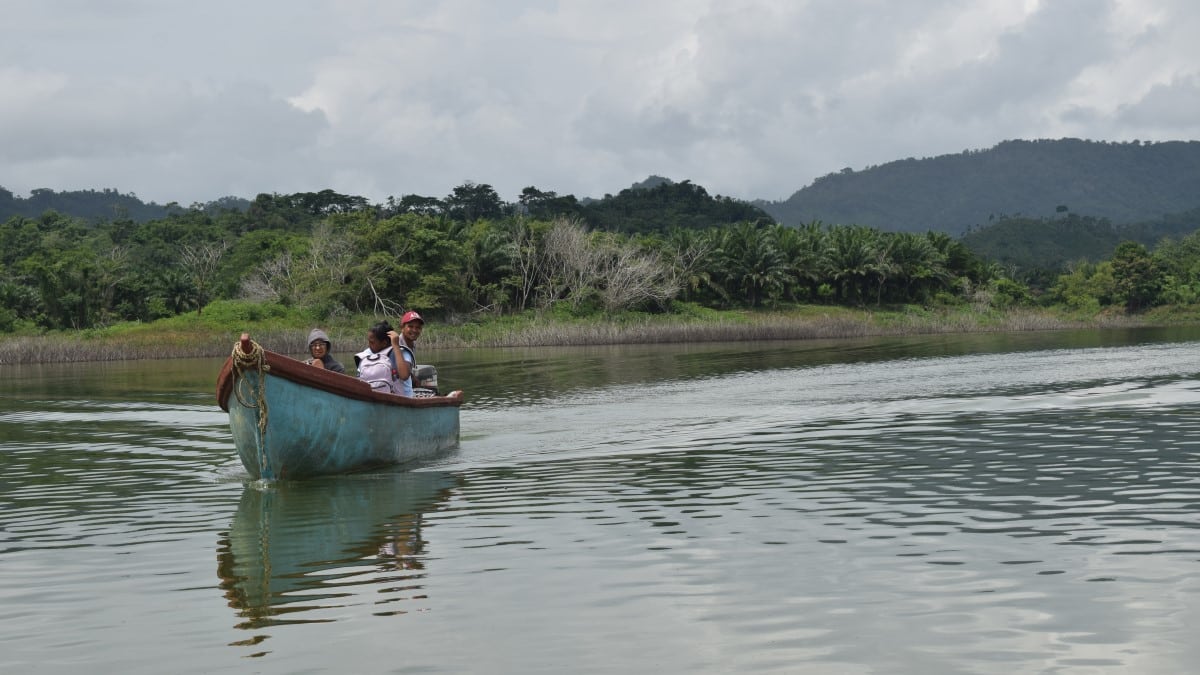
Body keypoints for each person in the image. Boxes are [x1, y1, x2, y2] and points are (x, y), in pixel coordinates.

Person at [354, 320, 415, 396]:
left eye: (372, 342)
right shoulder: (367, 354)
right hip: (374, 396)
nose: (369, 345)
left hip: (401, 398)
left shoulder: (401, 352)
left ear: (384, 343)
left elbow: (404, 375)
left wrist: (396, 345)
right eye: (369, 341)